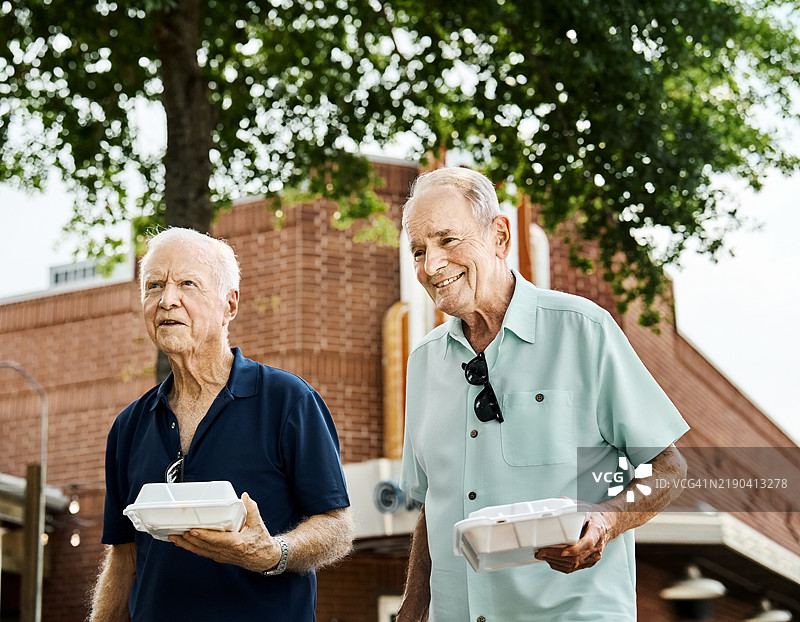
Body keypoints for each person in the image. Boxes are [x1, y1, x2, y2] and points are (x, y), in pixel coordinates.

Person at [396, 167, 689, 621]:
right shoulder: (422, 363)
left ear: (499, 235)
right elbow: (432, 507)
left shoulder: (584, 330)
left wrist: (607, 519)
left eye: (448, 241)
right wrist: (411, 611)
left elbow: (669, 467)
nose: (431, 266)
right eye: (418, 250)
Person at [89, 228, 354, 622]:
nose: (167, 300)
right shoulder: (128, 427)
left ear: (229, 305)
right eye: (154, 286)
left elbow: (337, 527)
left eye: (187, 284)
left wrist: (273, 554)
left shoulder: (288, 401)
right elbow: (123, 557)